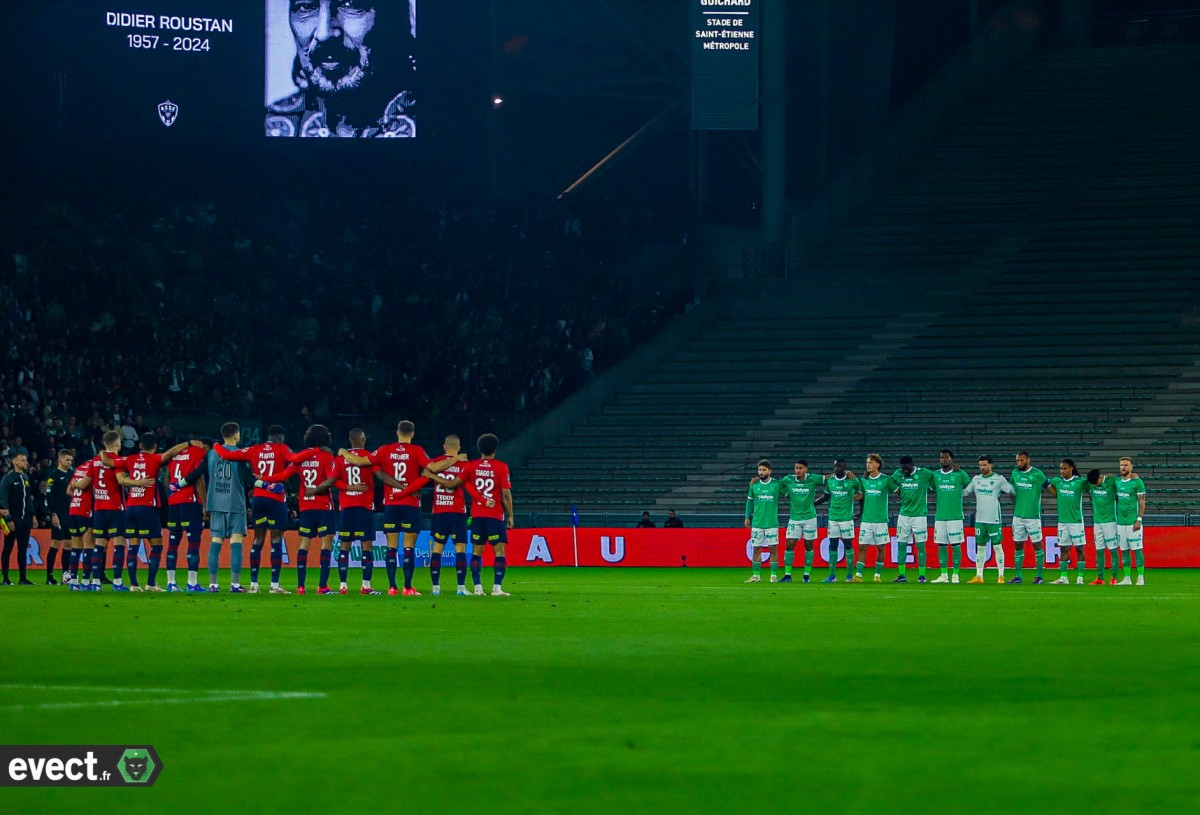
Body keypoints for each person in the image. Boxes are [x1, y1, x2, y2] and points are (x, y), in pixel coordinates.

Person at [266, 0, 417, 138]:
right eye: (305, 7)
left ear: (398, 19)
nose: (323, 34)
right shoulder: (270, 127)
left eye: (351, 4)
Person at [342, 420, 460, 595]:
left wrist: (344, 452)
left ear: (397, 432)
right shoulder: (417, 451)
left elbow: (359, 461)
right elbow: (434, 467)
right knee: (408, 547)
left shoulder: (385, 449)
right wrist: (457, 458)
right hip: (410, 504)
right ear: (412, 434)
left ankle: (392, 587)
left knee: (391, 547)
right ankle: (407, 587)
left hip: (391, 503)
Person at [107, 434, 198, 592]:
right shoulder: (155, 459)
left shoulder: (129, 459)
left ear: (141, 445)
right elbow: (170, 453)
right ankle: (150, 583)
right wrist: (188, 443)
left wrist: (103, 450)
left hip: (130, 508)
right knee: (157, 546)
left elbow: (109, 463)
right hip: (147, 508)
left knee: (133, 547)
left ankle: (134, 585)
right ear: (155, 446)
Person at [214, 425, 293, 594]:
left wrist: (215, 445)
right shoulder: (283, 448)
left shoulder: (254, 449)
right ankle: (274, 585)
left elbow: (226, 454)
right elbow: (294, 460)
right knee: (276, 539)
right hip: (275, 497)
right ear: (280, 438)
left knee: (258, 540)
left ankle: (254, 584)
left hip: (258, 497)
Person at [176, 423, 254, 593]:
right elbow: (248, 478)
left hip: (216, 503)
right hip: (235, 503)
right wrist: (264, 484)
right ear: (236, 435)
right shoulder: (239, 454)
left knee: (216, 541)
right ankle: (234, 585)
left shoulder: (212, 453)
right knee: (236, 542)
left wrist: (179, 484)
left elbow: (197, 473)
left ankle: (213, 584)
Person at [395, 435, 474, 596]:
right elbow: (470, 487)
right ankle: (460, 588)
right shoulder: (465, 465)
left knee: (437, 549)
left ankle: (436, 588)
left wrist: (402, 493)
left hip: (440, 511)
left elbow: (420, 481)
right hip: (458, 512)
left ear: (444, 446)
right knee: (460, 549)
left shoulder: (435, 463)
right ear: (459, 447)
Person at [459, 433, 514, 596]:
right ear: (495, 450)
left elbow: (463, 483)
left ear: (479, 449)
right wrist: (510, 514)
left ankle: (478, 587)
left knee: (477, 551)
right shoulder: (501, 467)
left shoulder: (471, 466)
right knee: (499, 552)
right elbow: (505, 493)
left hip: (477, 515)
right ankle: (497, 588)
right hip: (495, 516)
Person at [287, 424, 337, 595]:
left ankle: (301, 586)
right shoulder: (326, 456)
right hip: (323, 505)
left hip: (306, 506)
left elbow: (288, 475)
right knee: (326, 544)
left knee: (304, 544)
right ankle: (323, 586)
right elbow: (332, 479)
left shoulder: (301, 457)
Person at [163, 437, 210, 592]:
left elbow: (166, 478)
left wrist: (170, 496)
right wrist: (205, 505)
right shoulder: (198, 453)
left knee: (173, 542)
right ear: (204, 446)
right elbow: (199, 481)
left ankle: (171, 583)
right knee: (193, 542)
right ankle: (192, 583)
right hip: (190, 502)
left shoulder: (177, 454)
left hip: (174, 503)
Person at [776, 460, 831, 582]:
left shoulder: (812, 478)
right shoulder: (788, 479)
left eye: (800, 468)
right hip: (794, 519)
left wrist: (844, 473)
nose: (797, 470)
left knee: (808, 546)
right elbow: (776, 485)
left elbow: (827, 478)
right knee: (789, 545)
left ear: (806, 469)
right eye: (796, 468)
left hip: (810, 518)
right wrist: (786, 494)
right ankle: (788, 575)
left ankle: (806, 575)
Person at [963, 455, 1014, 584]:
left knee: (997, 547)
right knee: (980, 548)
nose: (982, 467)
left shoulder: (998, 479)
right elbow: (965, 492)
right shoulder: (976, 479)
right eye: (980, 465)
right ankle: (979, 576)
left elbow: (1012, 490)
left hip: (994, 519)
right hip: (980, 519)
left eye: (985, 465)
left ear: (991, 465)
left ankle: (1001, 575)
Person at [930, 450, 971, 584]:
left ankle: (955, 575)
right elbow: (930, 488)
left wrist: (959, 494)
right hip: (940, 516)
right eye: (941, 457)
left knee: (955, 545)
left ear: (951, 459)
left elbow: (970, 487)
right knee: (941, 545)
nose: (943, 460)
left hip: (955, 516)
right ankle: (943, 575)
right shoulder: (935, 475)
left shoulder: (959, 474)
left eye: (946, 457)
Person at [853, 454, 896, 583]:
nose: (868, 465)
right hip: (866, 520)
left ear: (878, 464)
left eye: (871, 462)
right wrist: (846, 497)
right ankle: (859, 575)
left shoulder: (886, 480)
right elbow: (860, 496)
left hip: (881, 520)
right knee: (862, 547)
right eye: (867, 462)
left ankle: (877, 575)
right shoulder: (864, 480)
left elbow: (898, 491)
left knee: (881, 548)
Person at [892, 456, 935, 583]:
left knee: (920, 545)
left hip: (919, 515)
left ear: (912, 465)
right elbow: (893, 484)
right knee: (901, 545)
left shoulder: (924, 473)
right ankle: (901, 575)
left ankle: (922, 575)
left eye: (906, 468)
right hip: (904, 515)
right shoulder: (898, 474)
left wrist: (929, 489)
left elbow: (936, 477)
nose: (904, 470)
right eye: (902, 467)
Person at [1046, 458, 1088, 585]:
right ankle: (1063, 577)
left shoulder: (1080, 481)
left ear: (1071, 468)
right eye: (1061, 469)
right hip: (1062, 522)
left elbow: (1094, 484)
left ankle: (1080, 578)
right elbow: (1045, 484)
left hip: (1076, 521)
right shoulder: (1057, 481)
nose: (1062, 471)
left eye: (1065, 468)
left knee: (1079, 549)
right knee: (1064, 549)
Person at [0, 452, 39, 586]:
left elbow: (28, 499)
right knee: (8, 547)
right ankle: (5, 578)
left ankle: (23, 578)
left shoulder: (25, 477)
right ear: (15, 462)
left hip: (25, 519)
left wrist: (33, 514)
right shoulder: (8, 478)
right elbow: (3, 500)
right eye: (23, 460)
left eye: (26, 460)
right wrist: (8, 519)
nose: (26, 463)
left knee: (23, 549)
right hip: (12, 519)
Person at [1009, 451, 1048, 584]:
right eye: (1017, 461)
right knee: (1018, 545)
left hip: (1033, 516)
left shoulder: (1038, 474)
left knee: (1037, 545)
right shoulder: (1015, 473)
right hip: (1018, 516)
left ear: (1028, 460)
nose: (1019, 463)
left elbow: (1049, 487)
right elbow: (1011, 489)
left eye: (1022, 460)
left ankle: (1039, 576)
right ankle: (1018, 576)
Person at [744, 460, 785, 584]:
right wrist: (747, 517)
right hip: (757, 523)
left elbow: (789, 492)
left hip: (772, 523)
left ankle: (773, 576)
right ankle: (756, 576)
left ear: (770, 471)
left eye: (764, 470)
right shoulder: (754, 485)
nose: (761, 472)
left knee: (773, 549)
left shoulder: (777, 485)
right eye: (760, 470)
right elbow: (749, 502)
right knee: (756, 549)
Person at [40, 448, 76, 585]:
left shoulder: (72, 474)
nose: (69, 462)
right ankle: (49, 577)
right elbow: (49, 498)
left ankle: (65, 576)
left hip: (70, 514)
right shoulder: (53, 476)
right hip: (58, 515)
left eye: (71, 460)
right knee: (55, 543)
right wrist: (53, 514)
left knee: (69, 544)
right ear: (60, 459)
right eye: (67, 459)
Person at [822, 458, 860, 583]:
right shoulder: (830, 481)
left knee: (848, 545)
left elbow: (861, 493)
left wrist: (858, 509)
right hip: (833, 518)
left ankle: (849, 575)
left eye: (839, 466)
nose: (837, 468)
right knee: (833, 545)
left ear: (845, 467)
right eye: (835, 466)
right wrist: (813, 504)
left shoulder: (852, 480)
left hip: (846, 519)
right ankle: (832, 576)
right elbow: (826, 496)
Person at [1113, 457, 1147, 585]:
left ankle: (1140, 577)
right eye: (1121, 465)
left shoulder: (1137, 482)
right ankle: (1127, 578)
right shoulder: (1117, 482)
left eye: (1126, 465)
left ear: (1131, 467)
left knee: (1137, 549)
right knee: (1124, 550)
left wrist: (1139, 519)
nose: (1123, 467)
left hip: (1133, 523)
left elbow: (1142, 502)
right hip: (1121, 523)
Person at [65, 453, 96, 591]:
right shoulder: (93, 470)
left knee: (76, 547)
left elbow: (68, 491)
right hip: (85, 511)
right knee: (88, 546)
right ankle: (85, 581)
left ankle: (73, 581)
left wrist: (79, 493)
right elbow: (96, 491)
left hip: (73, 510)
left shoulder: (78, 470)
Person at [1085, 468, 1120, 585]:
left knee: (1113, 550)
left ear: (1100, 477)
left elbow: (1125, 480)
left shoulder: (1112, 481)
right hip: (1097, 522)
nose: (1094, 485)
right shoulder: (1092, 483)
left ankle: (1114, 578)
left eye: (1096, 483)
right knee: (1099, 550)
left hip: (1110, 522)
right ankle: (1100, 578)